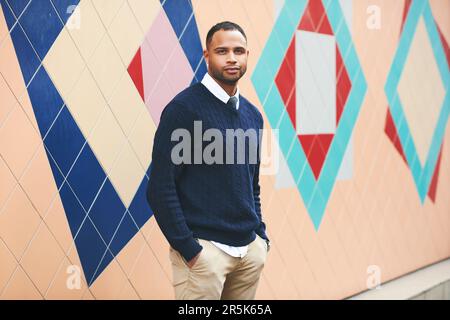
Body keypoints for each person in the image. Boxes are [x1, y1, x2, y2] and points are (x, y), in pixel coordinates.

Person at [147, 21, 270, 300]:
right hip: (205, 255)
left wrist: (260, 238)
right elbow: (160, 188)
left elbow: (252, 185)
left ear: (247, 55)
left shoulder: (253, 116)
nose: (231, 58)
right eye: (222, 51)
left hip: (248, 253)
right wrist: (189, 249)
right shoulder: (183, 110)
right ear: (206, 55)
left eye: (238, 51)